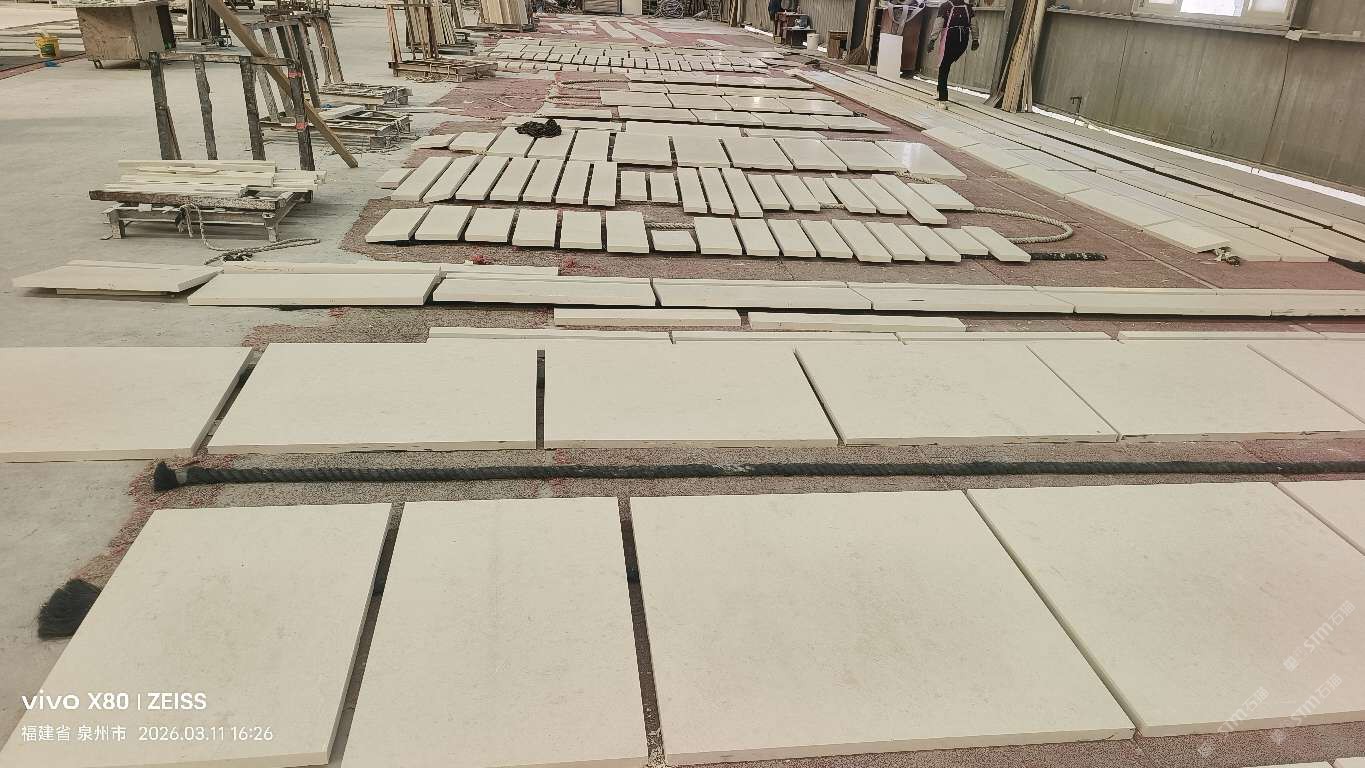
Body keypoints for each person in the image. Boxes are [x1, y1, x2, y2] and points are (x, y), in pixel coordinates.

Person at [927, 0, 979, 103]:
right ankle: (939, 92)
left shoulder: (945, 6)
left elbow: (938, 24)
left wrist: (932, 40)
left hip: (950, 39)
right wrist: (975, 39)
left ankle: (942, 97)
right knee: (945, 65)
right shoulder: (968, 7)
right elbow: (974, 24)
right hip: (963, 41)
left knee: (943, 67)